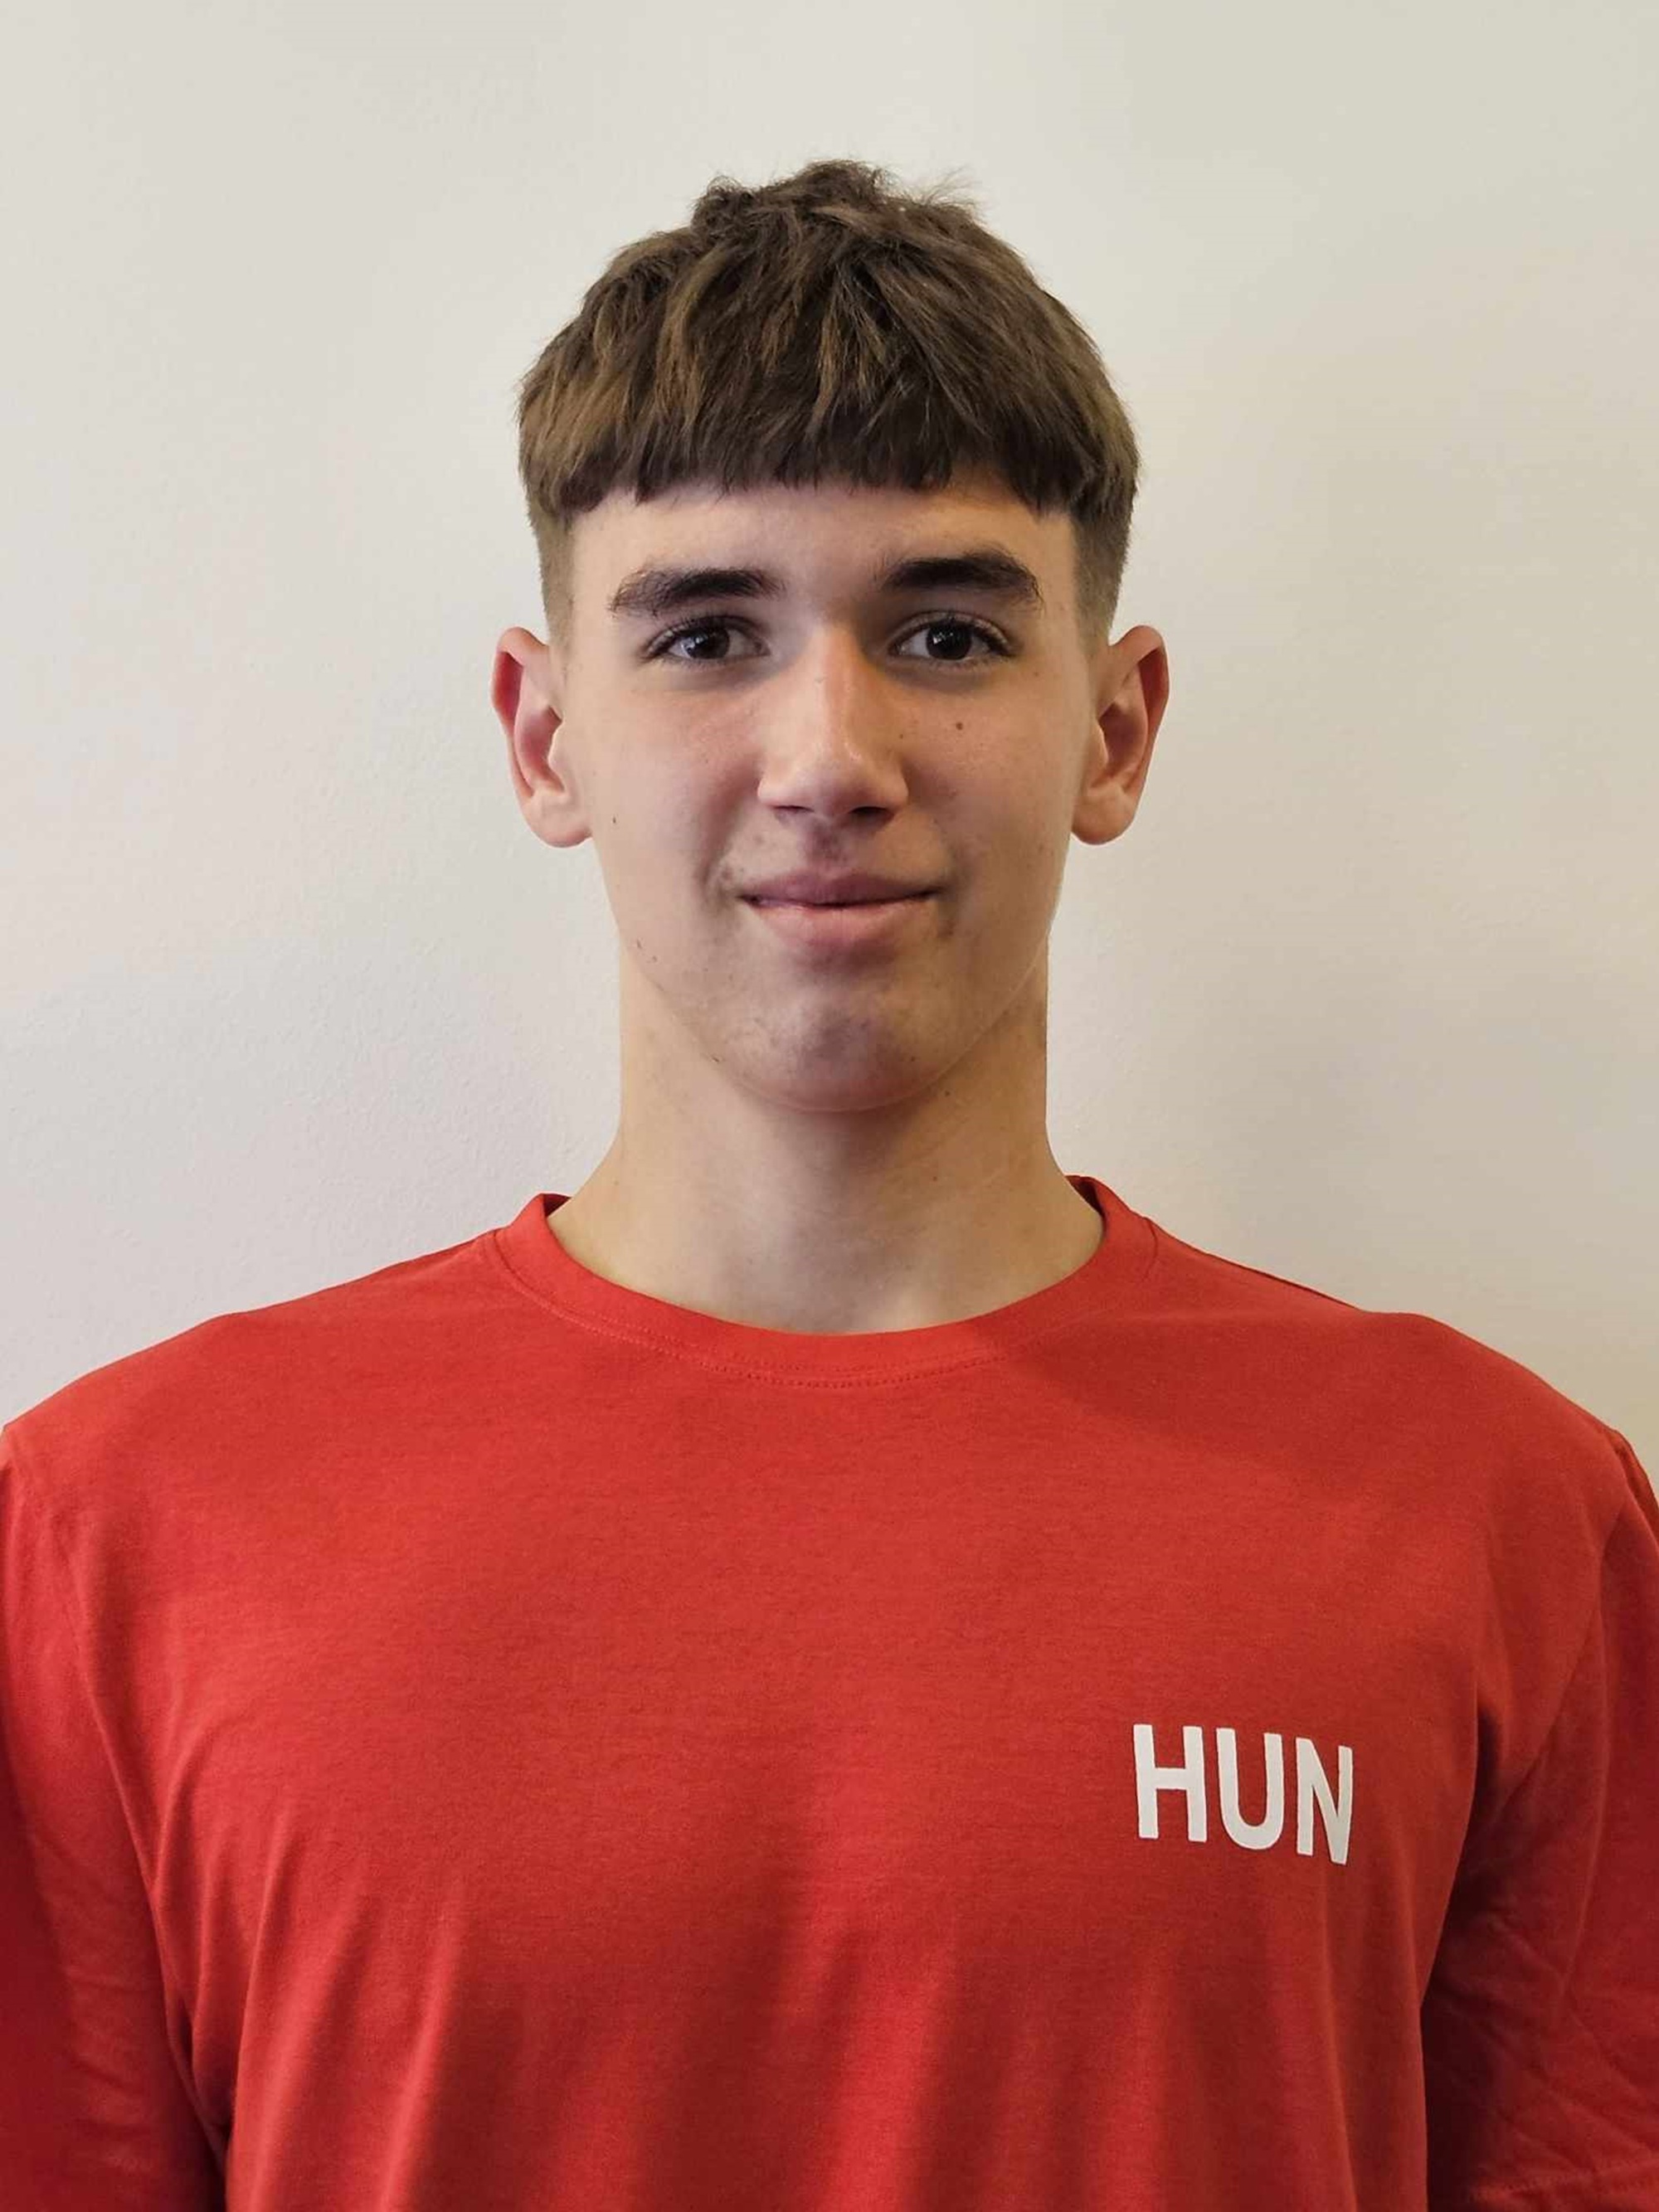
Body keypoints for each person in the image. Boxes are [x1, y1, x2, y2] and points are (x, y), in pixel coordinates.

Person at [2, 157, 1656, 2212]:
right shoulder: (116, 1540)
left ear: (1114, 726)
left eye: (946, 631)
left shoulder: (1497, 1517)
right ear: (542, 736)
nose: (828, 757)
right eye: (707, 634)